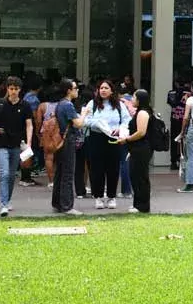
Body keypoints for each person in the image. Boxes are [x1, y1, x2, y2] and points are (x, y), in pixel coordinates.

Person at [0, 76, 34, 218]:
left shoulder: (25, 106)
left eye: (16, 89)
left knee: (12, 175)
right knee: (4, 173)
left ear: (20, 90)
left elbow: (29, 125)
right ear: (7, 89)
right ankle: (3, 204)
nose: (13, 91)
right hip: (1, 143)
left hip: (16, 144)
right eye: (11, 88)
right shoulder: (0, 103)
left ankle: (7, 200)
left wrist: (29, 143)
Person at [82, 79, 131, 208]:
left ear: (112, 90)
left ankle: (111, 197)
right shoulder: (92, 104)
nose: (103, 90)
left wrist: (120, 129)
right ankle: (98, 196)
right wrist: (97, 124)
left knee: (113, 168)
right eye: (101, 88)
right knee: (96, 168)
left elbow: (127, 121)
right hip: (96, 138)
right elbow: (85, 121)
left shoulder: (119, 105)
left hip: (113, 138)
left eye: (106, 88)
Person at [49, 79, 83, 215]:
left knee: (60, 173)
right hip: (67, 140)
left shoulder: (59, 104)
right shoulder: (68, 105)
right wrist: (85, 114)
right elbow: (78, 124)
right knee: (68, 174)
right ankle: (67, 206)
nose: (77, 90)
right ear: (69, 90)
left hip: (59, 141)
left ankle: (57, 202)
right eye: (75, 88)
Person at [121, 89, 156, 213]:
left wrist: (127, 139)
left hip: (141, 148)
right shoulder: (140, 112)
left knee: (140, 176)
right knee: (135, 175)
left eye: (134, 97)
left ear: (140, 99)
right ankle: (138, 204)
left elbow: (141, 132)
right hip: (137, 147)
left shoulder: (142, 113)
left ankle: (142, 206)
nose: (132, 100)